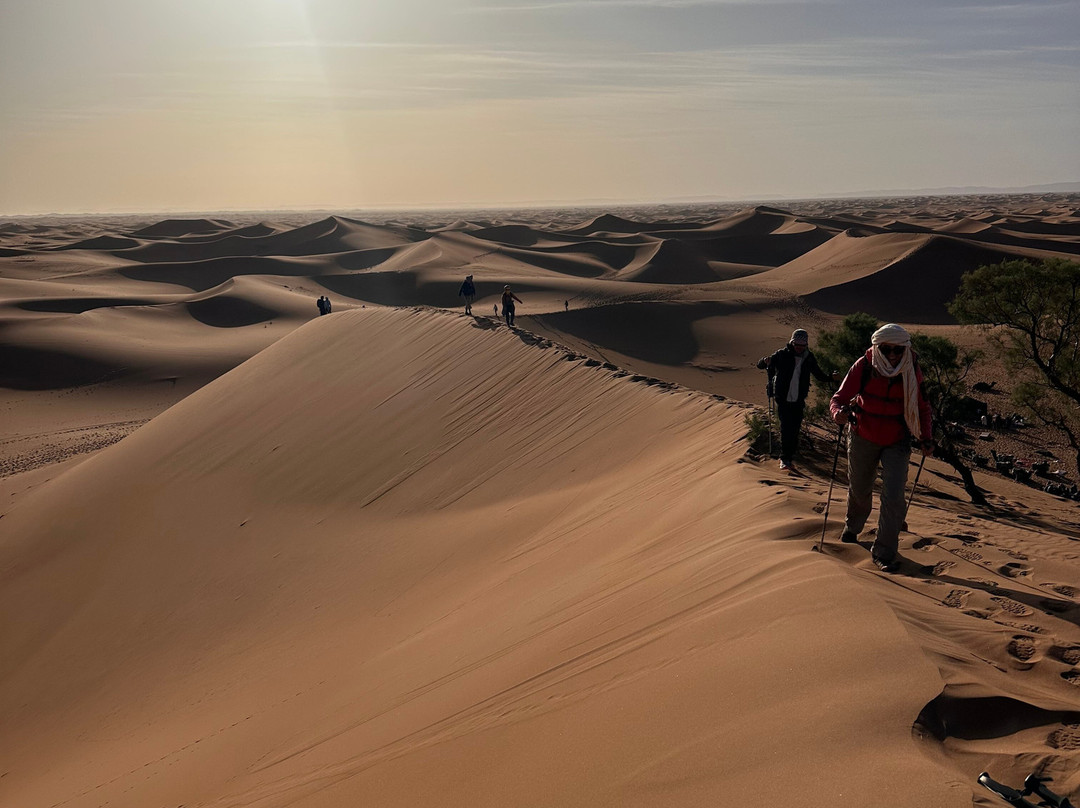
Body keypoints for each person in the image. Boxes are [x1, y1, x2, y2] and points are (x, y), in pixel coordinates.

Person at [830, 323, 934, 572]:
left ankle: (885, 552)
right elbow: (839, 398)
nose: (892, 355)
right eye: (886, 349)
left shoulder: (912, 368)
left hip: (897, 439)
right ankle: (853, 526)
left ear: (905, 349)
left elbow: (922, 406)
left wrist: (926, 437)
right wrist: (837, 414)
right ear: (878, 347)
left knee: (894, 496)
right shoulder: (864, 365)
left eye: (897, 350)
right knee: (859, 488)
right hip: (862, 434)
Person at [756, 329, 838, 471]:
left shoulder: (809, 358)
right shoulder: (781, 354)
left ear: (806, 345)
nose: (799, 347)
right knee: (786, 428)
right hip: (783, 399)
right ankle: (785, 459)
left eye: (802, 345)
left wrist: (831, 377)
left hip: (799, 399)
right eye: (797, 344)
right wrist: (765, 361)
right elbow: (761, 365)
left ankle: (789, 458)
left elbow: (818, 375)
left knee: (795, 430)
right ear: (792, 342)